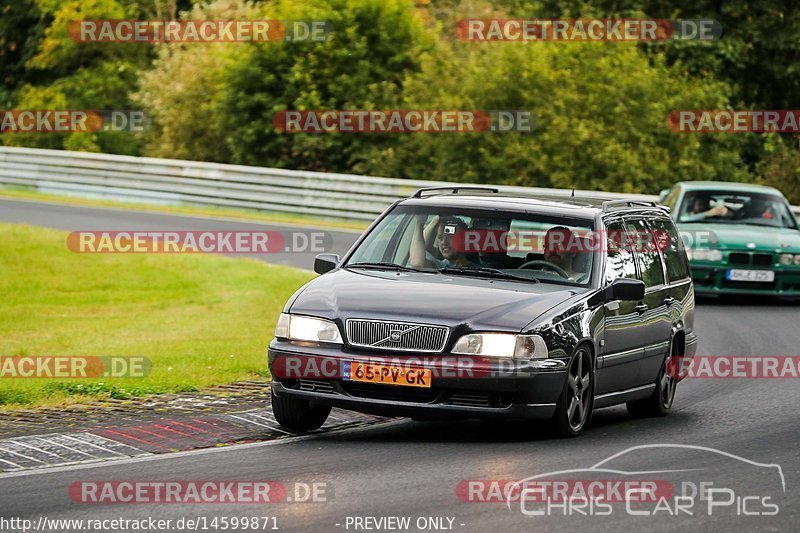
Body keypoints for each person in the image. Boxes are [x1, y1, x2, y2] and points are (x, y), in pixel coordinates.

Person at [410, 215, 475, 268]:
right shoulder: (438, 267)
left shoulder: (479, 270)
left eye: (450, 237)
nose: (444, 242)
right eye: (440, 238)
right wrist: (420, 224)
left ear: (464, 240)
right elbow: (416, 263)